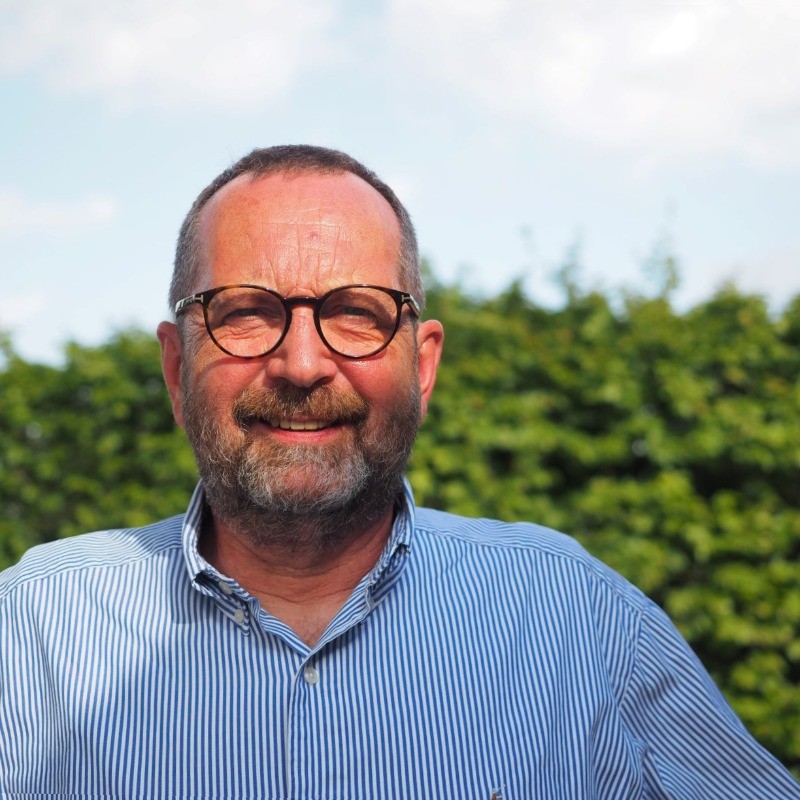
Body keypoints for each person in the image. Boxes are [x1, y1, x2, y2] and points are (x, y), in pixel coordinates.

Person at [1, 145, 798, 799]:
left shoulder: (582, 621)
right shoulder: (28, 636)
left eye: (357, 313)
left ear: (422, 366)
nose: (302, 364)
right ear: (177, 371)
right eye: (244, 312)